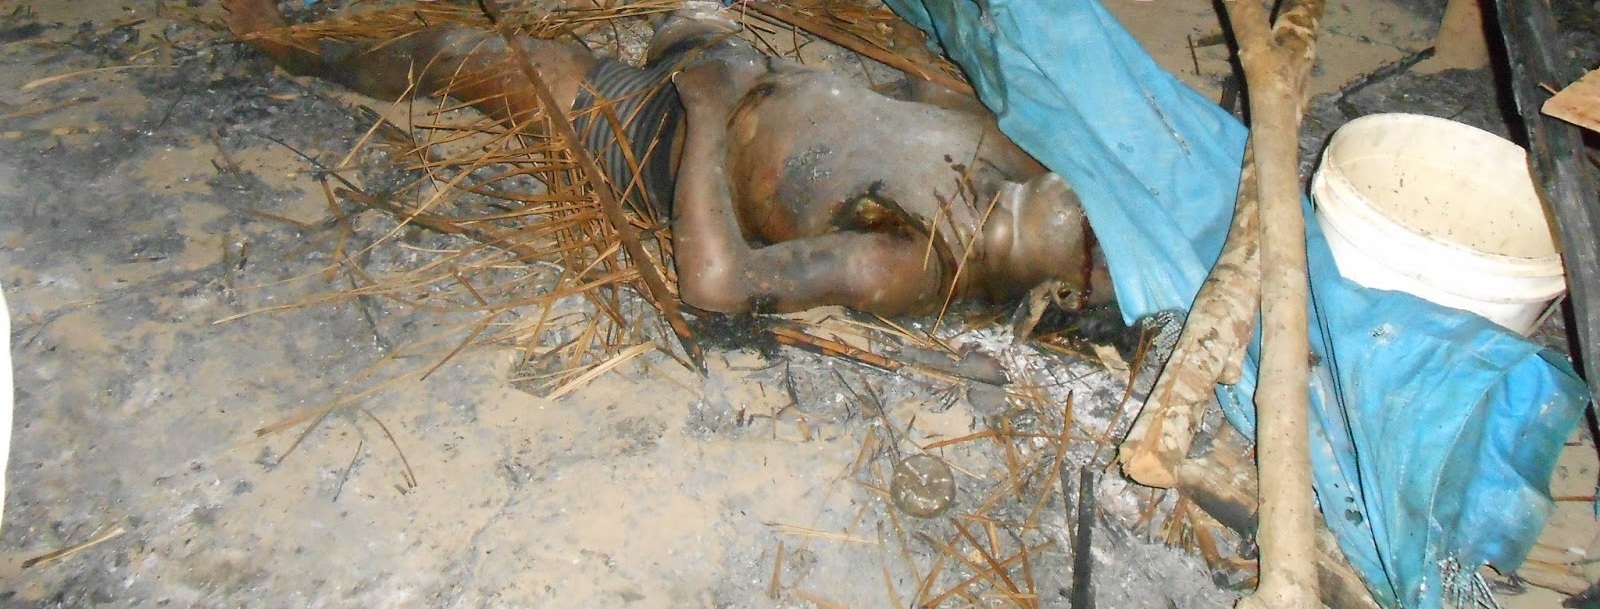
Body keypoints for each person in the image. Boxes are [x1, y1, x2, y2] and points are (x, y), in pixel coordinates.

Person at [221, 0, 1114, 320]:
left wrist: (708, 114)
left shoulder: (910, 262)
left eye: (1101, 252)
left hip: (659, 133)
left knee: (467, 60)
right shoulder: (1008, 160)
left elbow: (718, 285)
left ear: (1063, 290)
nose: (1099, 221)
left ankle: (297, 48)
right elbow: (910, 100)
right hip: (733, 67)